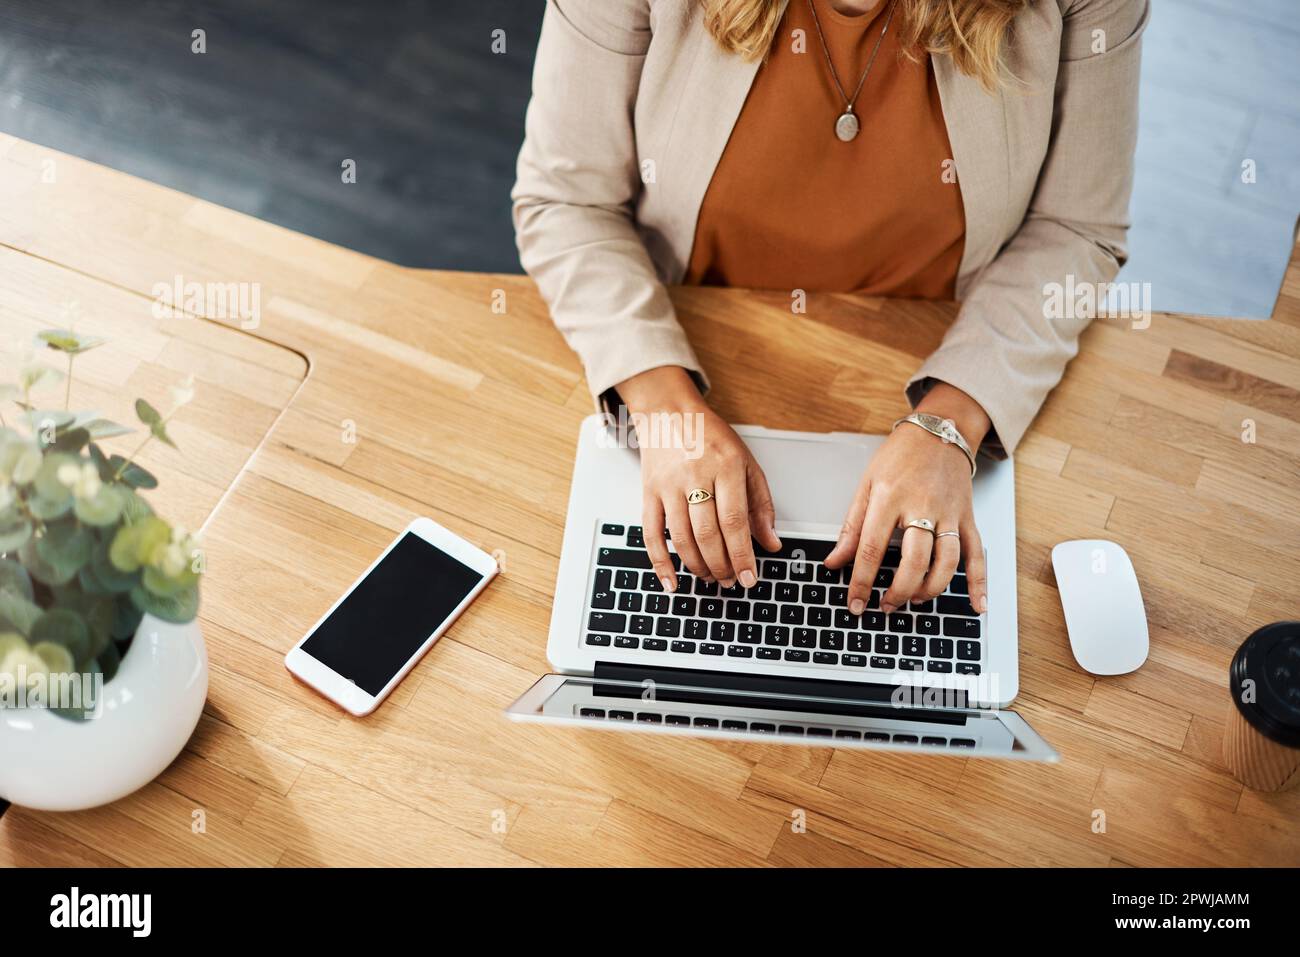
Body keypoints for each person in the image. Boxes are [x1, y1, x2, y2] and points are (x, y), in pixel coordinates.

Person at [513, 0, 1147, 617]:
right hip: (691, 346)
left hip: (942, 352)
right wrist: (663, 409)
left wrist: (951, 422)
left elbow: (1074, 229)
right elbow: (567, 203)